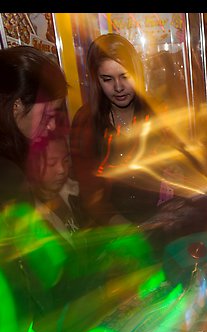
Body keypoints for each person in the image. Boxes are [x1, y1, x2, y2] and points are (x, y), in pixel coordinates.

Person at [0, 45, 69, 321]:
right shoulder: (2, 173)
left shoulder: (1, 156)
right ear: (17, 105)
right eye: (47, 115)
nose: (52, 126)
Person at [70, 33, 162, 225]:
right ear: (96, 81)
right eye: (107, 79)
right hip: (108, 230)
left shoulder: (156, 112)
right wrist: (127, 229)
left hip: (155, 222)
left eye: (125, 77)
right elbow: (87, 190)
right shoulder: (86, 121)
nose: (118, 87)